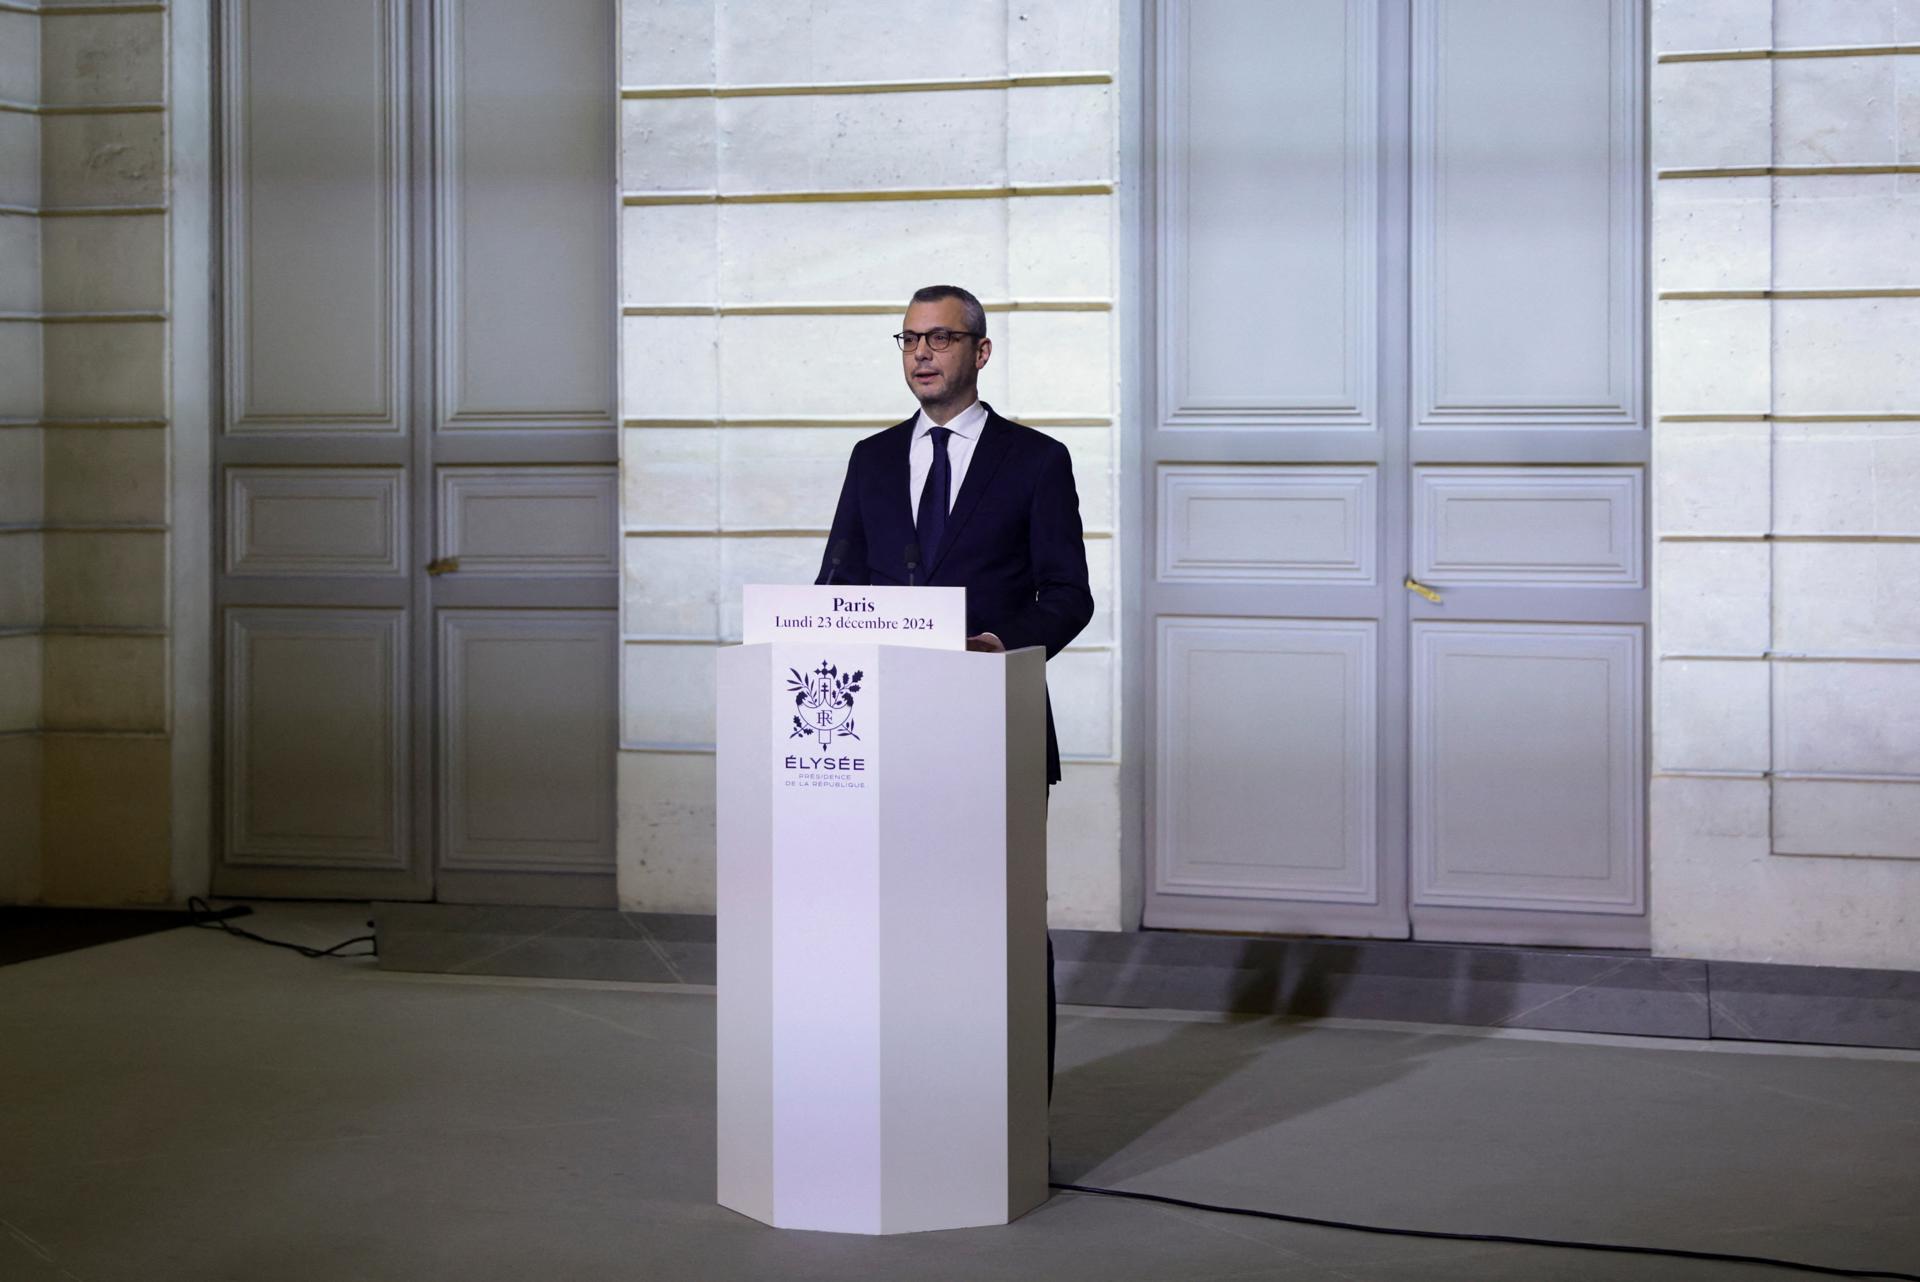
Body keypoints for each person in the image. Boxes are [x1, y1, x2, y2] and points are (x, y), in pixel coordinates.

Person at [815, 283, 1094, 1101]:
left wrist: (998, 645)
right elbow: (837, 583)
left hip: (991, 727)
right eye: (908, 339)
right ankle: (907, 1098)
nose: (922, 353)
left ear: (981, 352)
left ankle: (1013, 1113)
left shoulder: (1036, 460)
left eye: (940, 338)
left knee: (996, 928)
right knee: (892, 925)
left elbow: (1067, 596)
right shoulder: (870, 458)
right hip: (882, 734)